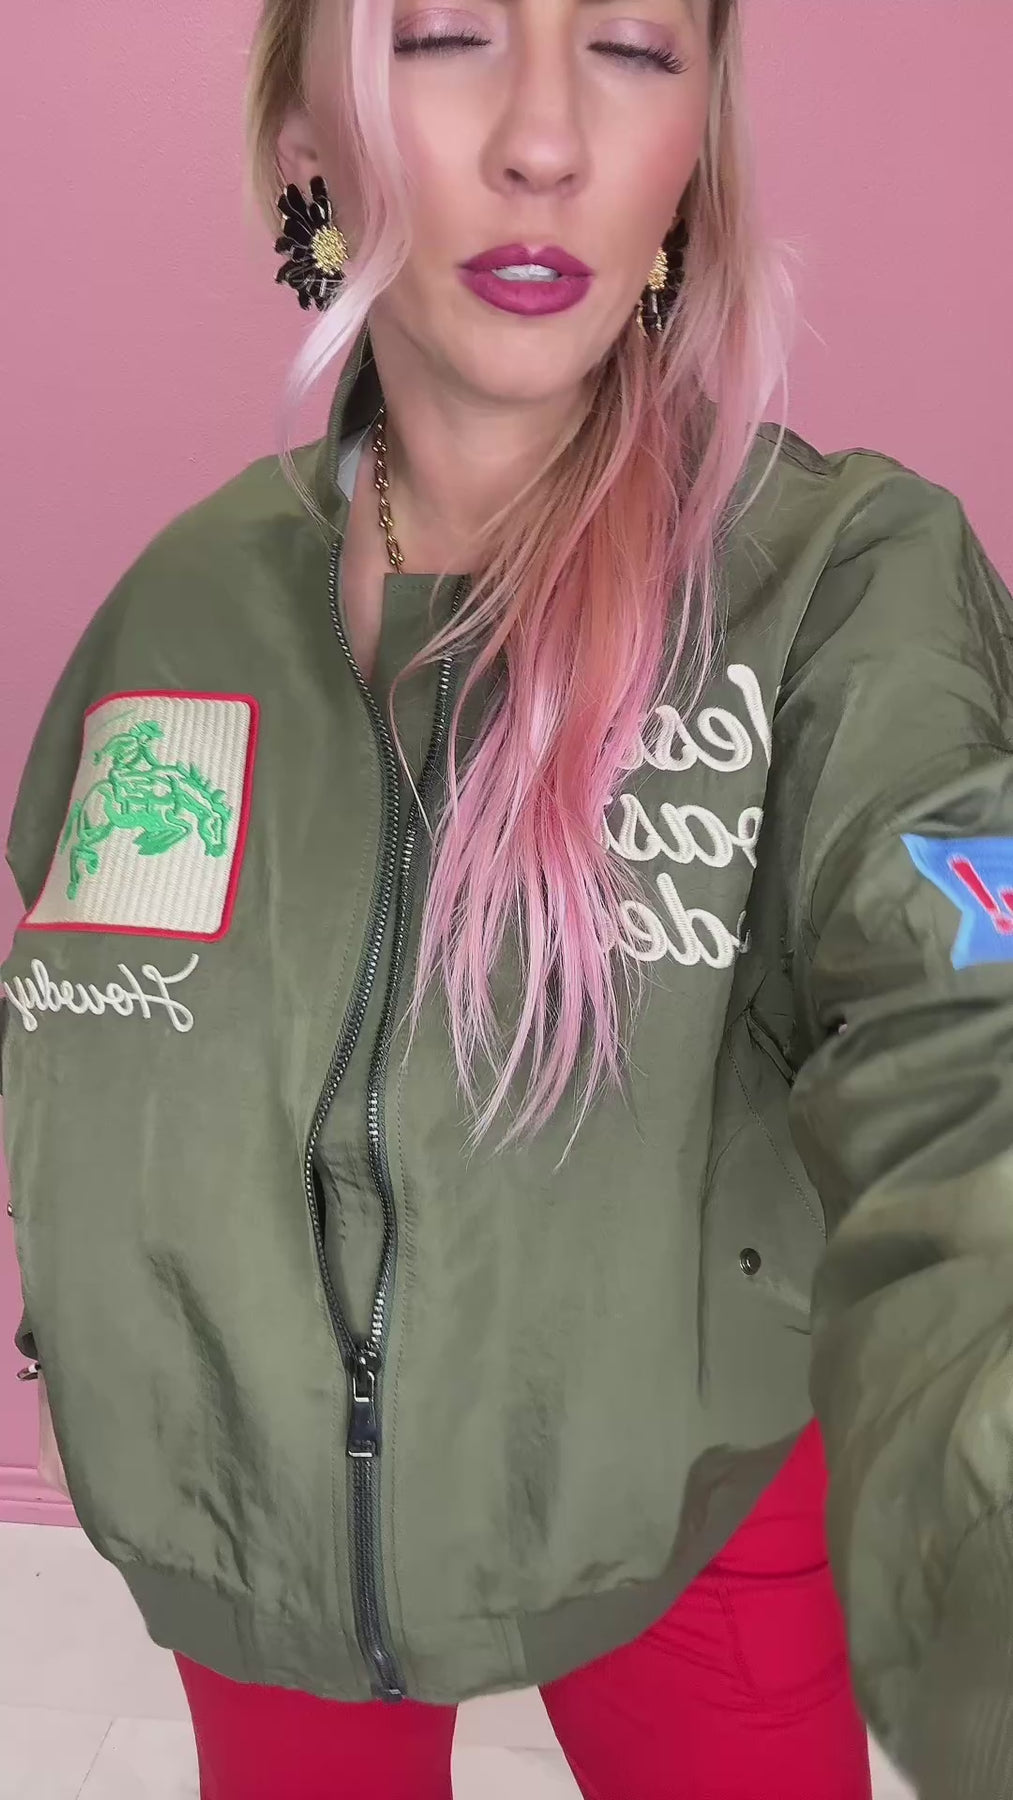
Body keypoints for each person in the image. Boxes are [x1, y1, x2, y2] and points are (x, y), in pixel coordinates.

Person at [2, 1, 1012, 1796]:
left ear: (689, 157)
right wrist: (94, 1333)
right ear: (309, 146)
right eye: (446, 32)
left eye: (630, 47)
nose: (542, 140)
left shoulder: (840, 583)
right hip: (260, 1525)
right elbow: (89, 1031)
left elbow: (959, 1007)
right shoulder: (186, 600)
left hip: (684, 1511)